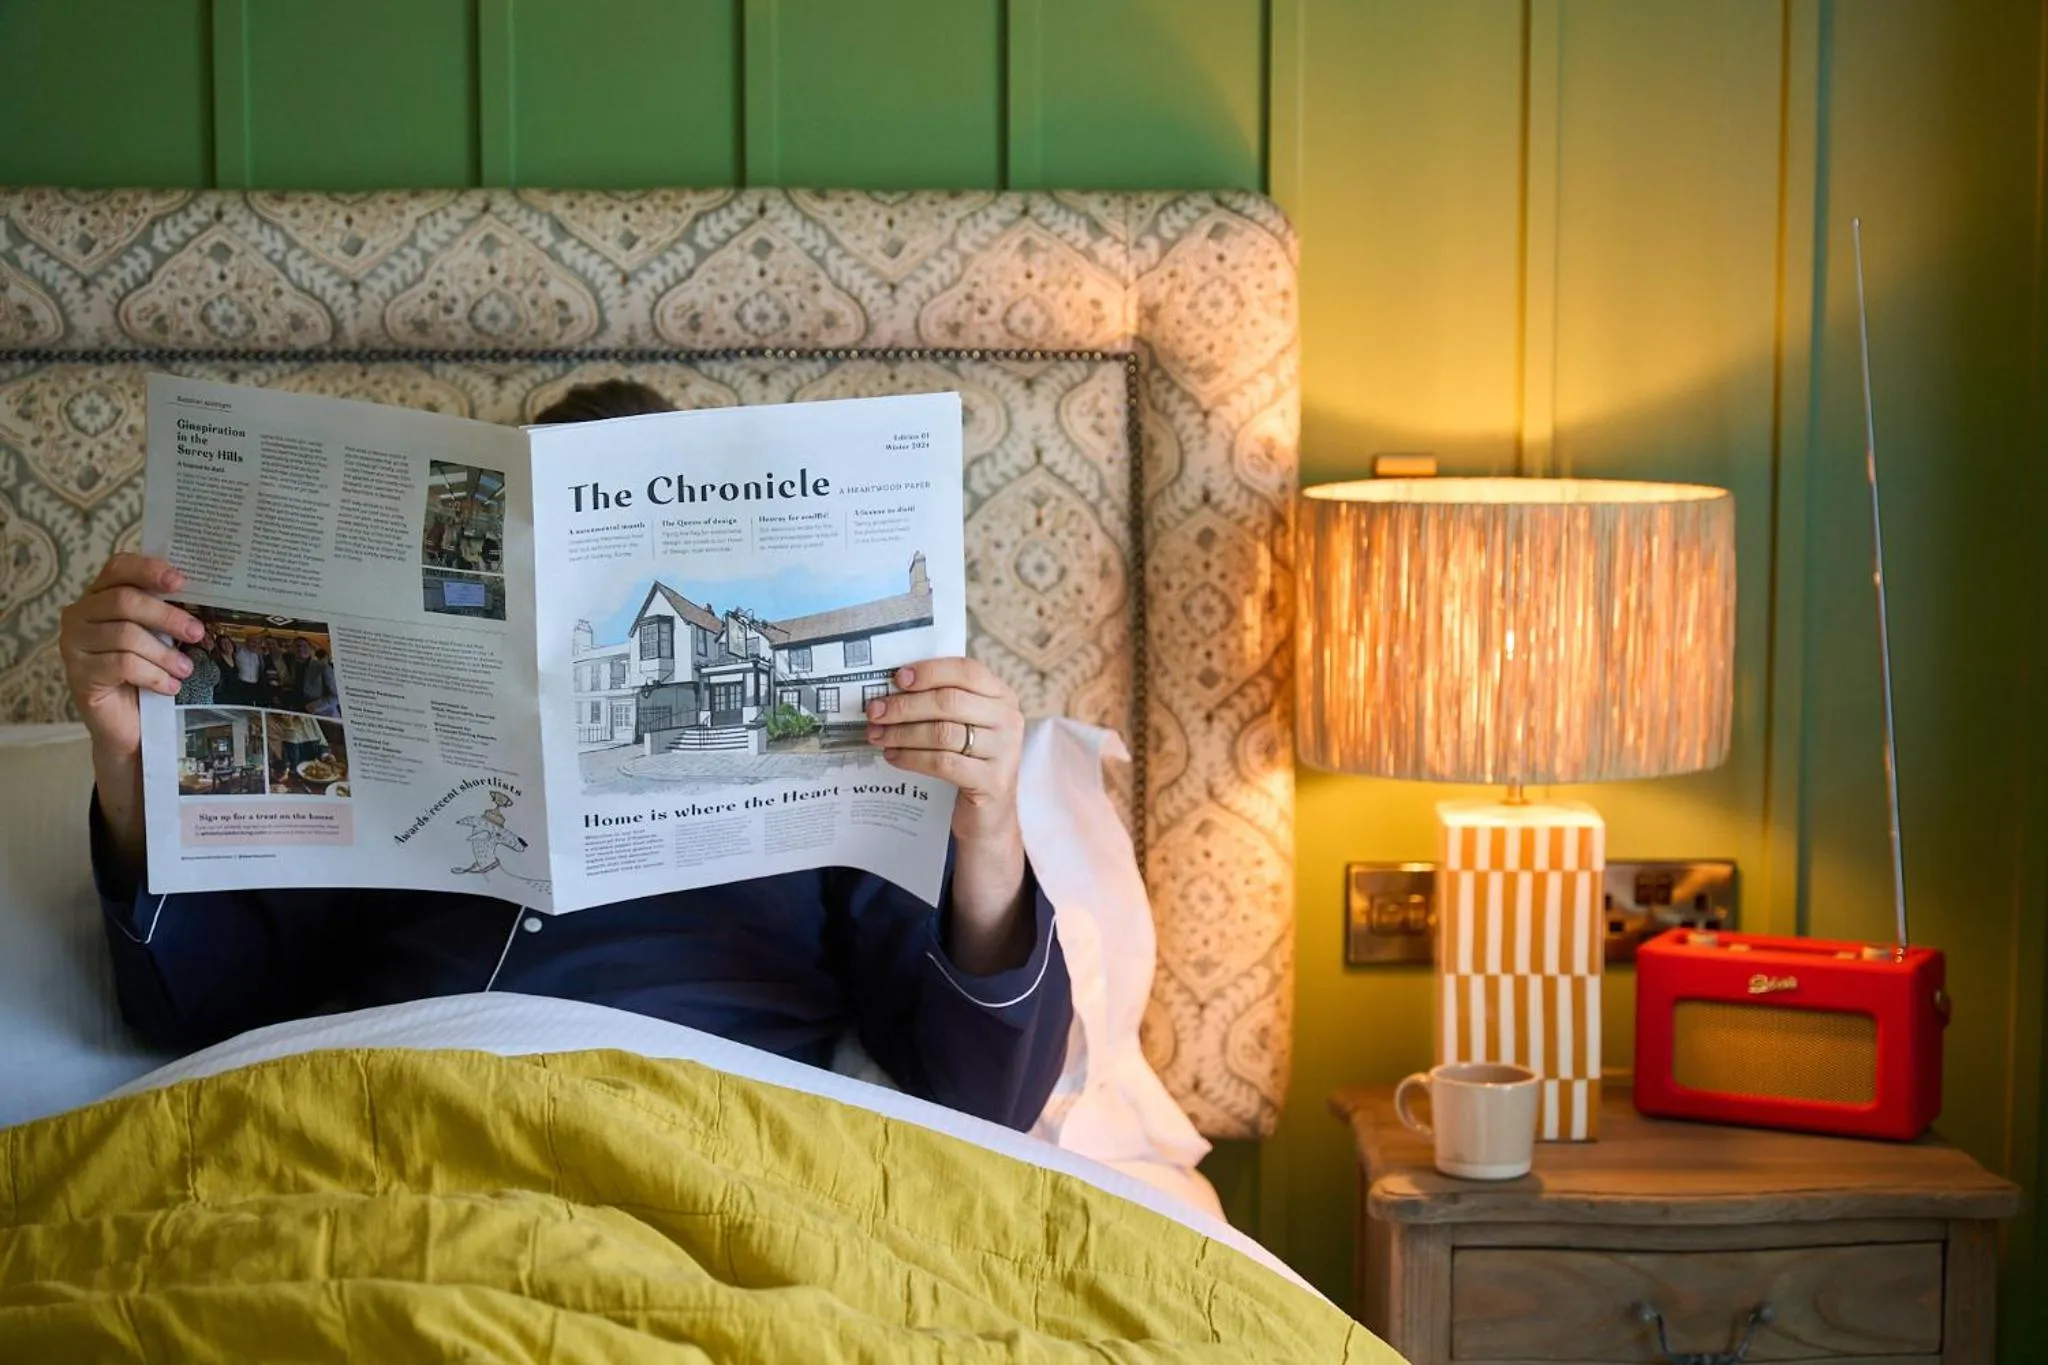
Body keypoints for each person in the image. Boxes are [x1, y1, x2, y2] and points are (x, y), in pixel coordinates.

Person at [58, 378, 1071, 1132]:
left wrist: (987, 828)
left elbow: (989, 1094)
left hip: (707, 1141)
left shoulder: (854, 771)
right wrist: (127, 759)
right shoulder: (374, 749)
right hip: (395, 1130)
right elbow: (191, 1011)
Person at [174, 628, 220, 706]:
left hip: (194, 702)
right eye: (201, 639)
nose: (206, 641)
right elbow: (211, 678)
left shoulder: (204, 655)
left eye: (209, 638)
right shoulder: (197, 654)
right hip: (196, 702)